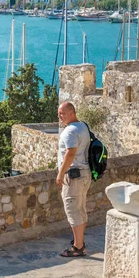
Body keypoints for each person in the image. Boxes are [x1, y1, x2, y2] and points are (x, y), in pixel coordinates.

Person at [57, 102, 91, 257]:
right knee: (80, 209)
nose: (59, 116)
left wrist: (60, 173)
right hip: (85, 173)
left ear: (71, 113)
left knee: (72, 210)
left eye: (62, 113)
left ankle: (78, 247)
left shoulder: (70, 131)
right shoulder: (83, 126)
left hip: (73, 176)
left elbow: (70, 154)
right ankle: (80, 242)